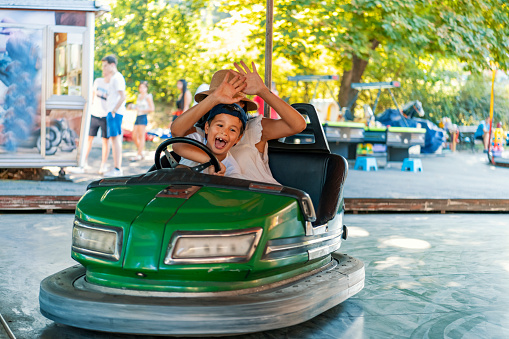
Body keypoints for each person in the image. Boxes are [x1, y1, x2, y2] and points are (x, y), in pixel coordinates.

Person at [194, 61, 306, 184]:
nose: (224, 106)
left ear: (242, 104)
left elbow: (298, 125)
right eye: (219, 100)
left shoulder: (254, 128)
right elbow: (177, 133)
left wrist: (262, 90)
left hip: (260, 196)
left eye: (230, 99)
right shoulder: (198, 133)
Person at [170, 72, 248, 177]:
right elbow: (177, 144)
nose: (224, 132)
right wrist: (211, 161)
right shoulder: (197, 136)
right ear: (207, 127)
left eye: (232, 129)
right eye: (220, 125)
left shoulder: (231, 168)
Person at [102, 55, 126, 177]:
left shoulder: (117, 78)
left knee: (115, 140)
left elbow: (123, 96)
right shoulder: (114, 78)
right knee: (114, 140)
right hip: (112, 112)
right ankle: (116, 168)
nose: (103, 68)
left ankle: (117, 169)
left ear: (112, 65)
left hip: (115, 113)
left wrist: (114, 110)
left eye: (105, 65)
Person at [128, 81, 154, 161]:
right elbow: (138, 106)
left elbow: (152, 109)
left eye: (143, 87)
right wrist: (132, 106)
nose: (141, 89)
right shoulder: (139, 96)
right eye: (140, 87)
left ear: (146, 88)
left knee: (141, 136)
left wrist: (141, 109)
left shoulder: (148, 97)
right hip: (138, 116)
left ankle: (139, 154)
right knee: (134, 136)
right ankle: (141, 152)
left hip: (143, 116)